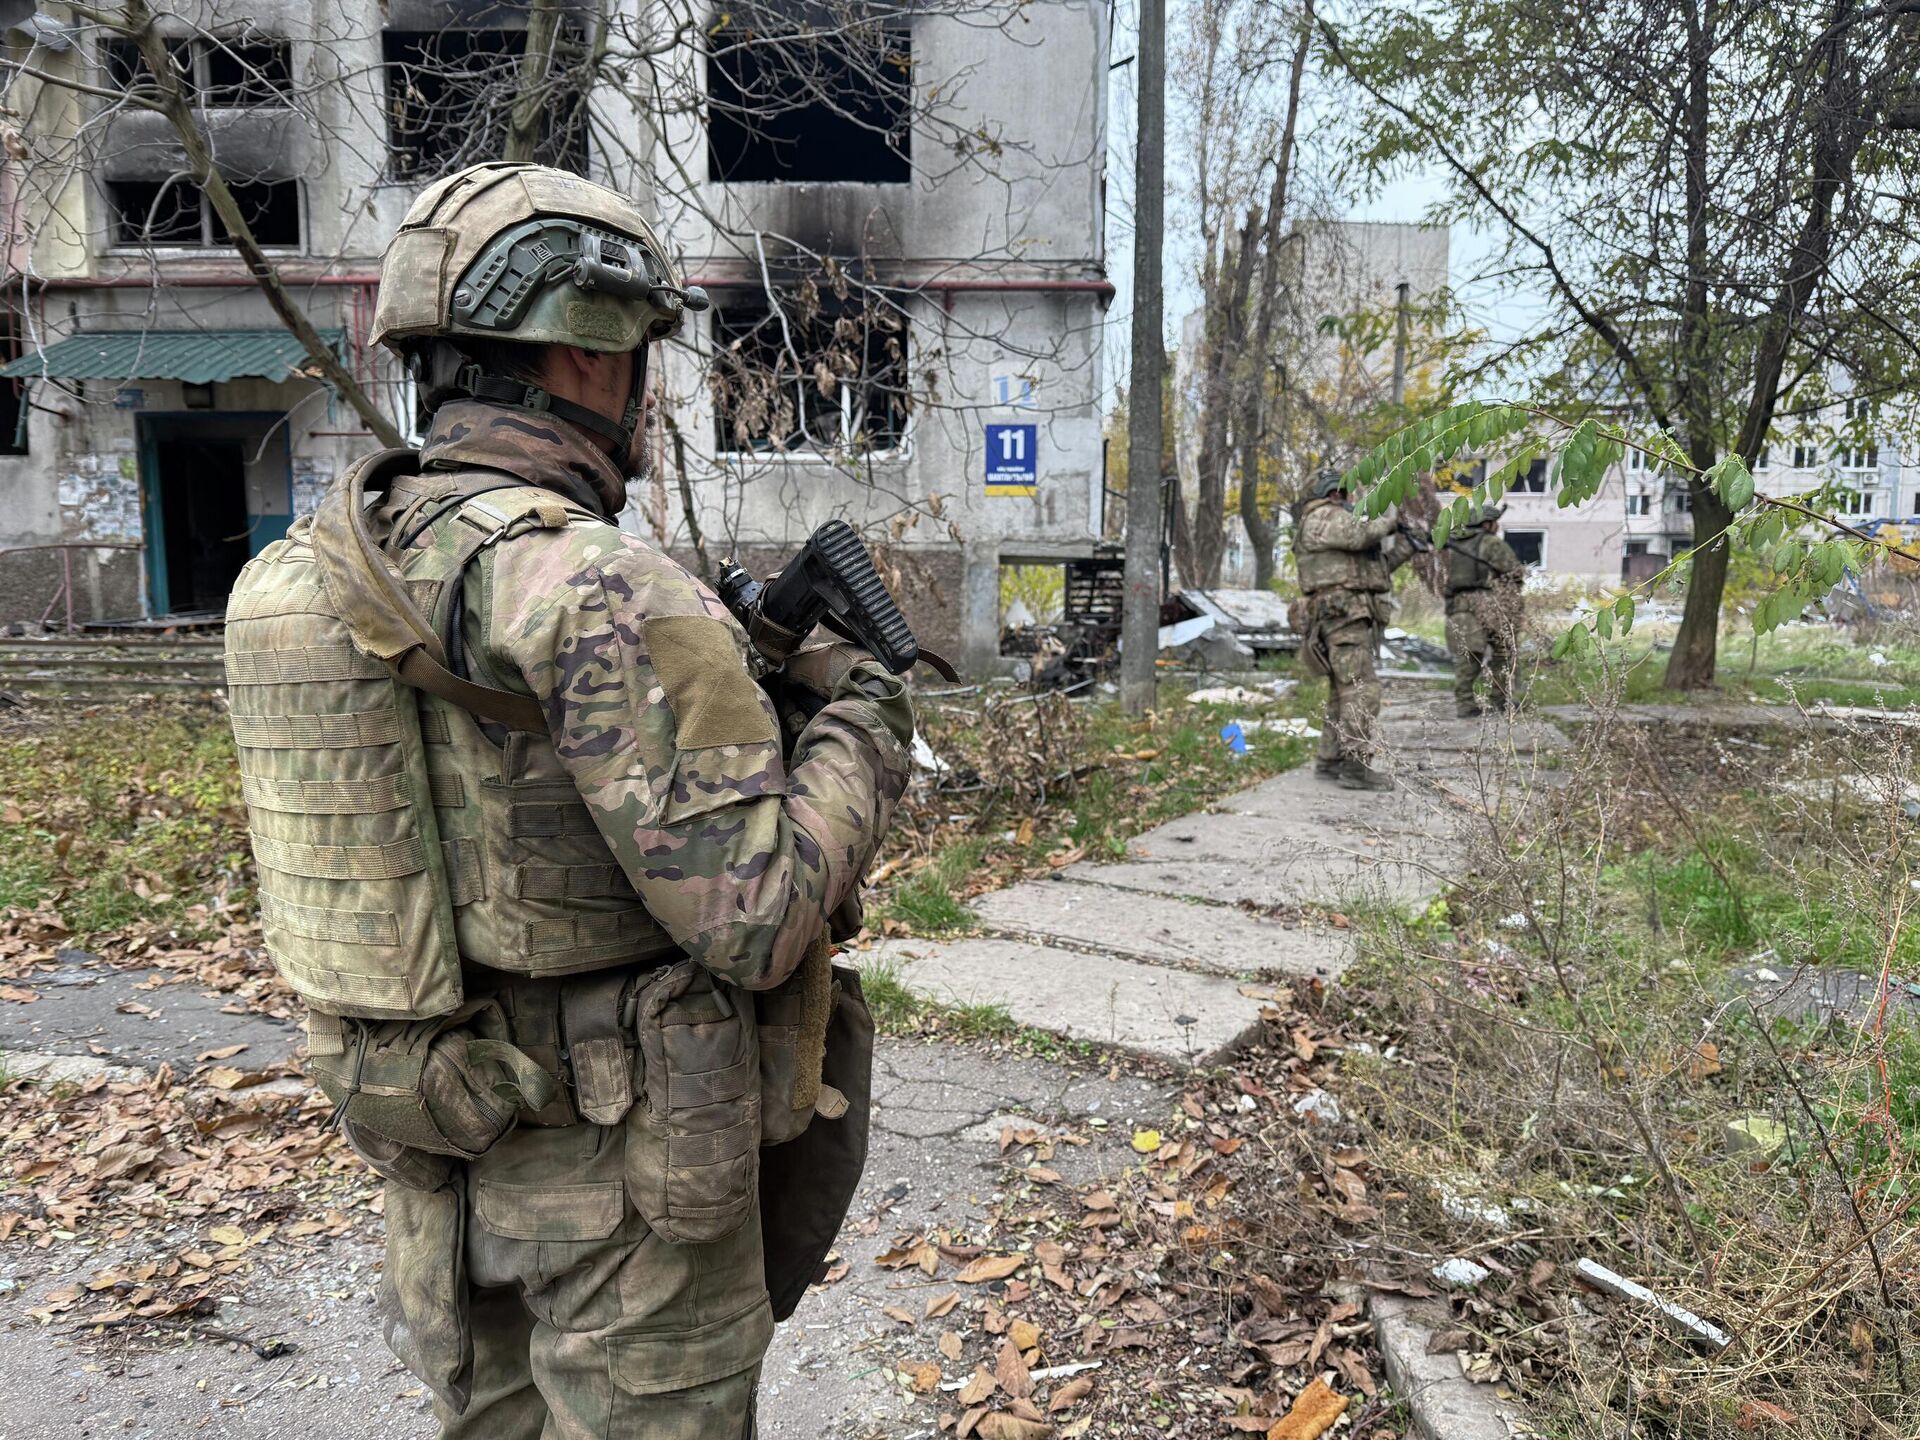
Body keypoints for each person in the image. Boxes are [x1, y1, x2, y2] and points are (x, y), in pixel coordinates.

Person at [222, 163, 913, 1439]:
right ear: (591, 357)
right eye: (642, 353)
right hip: (624, 1185)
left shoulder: (314, 569)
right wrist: (867, 717)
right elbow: (756, 918)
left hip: (439, 1141)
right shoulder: (593, 582)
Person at [1290, 469, 1420, 791]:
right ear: (1335, 493)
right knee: (1363, 689)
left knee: (1343, 691)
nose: (1351, 501)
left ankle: (1330, 761)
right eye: (1348, 495)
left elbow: (1374, 572)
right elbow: (1361, 534)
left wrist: (1409, 545)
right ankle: (1355, 767)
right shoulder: (1323, 516)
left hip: (1345, 614)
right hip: (1342, 616)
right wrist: (1391, 519)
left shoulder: (1329, 526)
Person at [1442, 503, 1525, 717]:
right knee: (1502, 653)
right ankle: (1499, 701)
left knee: (1468, 657)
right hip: (1491, 604)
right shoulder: (1491, 543)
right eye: (1495, 522)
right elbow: (1514, 572)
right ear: (1486, 524)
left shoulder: (1450, 545)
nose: (1497, 526)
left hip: (1459, 606)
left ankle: (1465, 704)